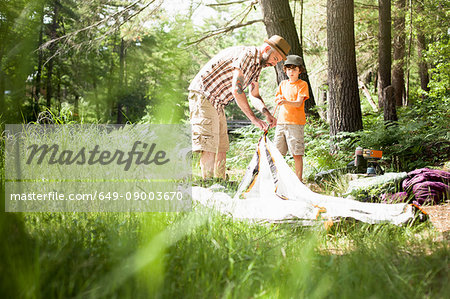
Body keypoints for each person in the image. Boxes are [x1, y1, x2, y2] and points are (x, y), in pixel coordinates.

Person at [188, 35, 291, 179]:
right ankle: (209, 182)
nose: (274, 64)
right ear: (267, 49)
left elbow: (254, 95)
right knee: (209, 143)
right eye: (275, 59)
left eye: (277, 62)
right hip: (204, 94)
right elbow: (237, 90)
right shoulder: (247, 55)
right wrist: (254, 119)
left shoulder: (257, 66)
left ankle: (220, 181)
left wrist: (266, 113)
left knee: (222, 145)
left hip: (218, 102)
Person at [273, 55, 309, 182]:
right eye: (288, 69)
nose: (291, 72)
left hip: (295, 123)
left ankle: (299, 181)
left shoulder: (302, 85)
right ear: (285, 70)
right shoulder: (283, 84)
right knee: (278, 154)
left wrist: (285, 101)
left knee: (296, 153)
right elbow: (277, 98)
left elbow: (299, 103)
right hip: (281, 123)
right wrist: (279, 100)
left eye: (294, 69)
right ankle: (278, 180)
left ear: (300, 70)